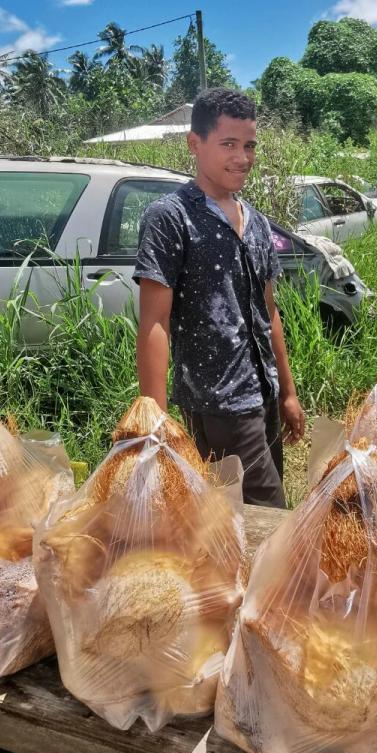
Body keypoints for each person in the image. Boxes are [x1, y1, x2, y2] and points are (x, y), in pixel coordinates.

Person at [133, 87, 306, 506]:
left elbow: (269, 312)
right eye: (228, 144)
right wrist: (155, 424)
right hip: (218, 404)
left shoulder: (259, 224)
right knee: (267, 516)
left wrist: (287, 392)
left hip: (260, 394)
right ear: (195, 144)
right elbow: (154, 322)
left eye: (249, 146)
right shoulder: (171, 217)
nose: (242, 157)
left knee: (232, 518)